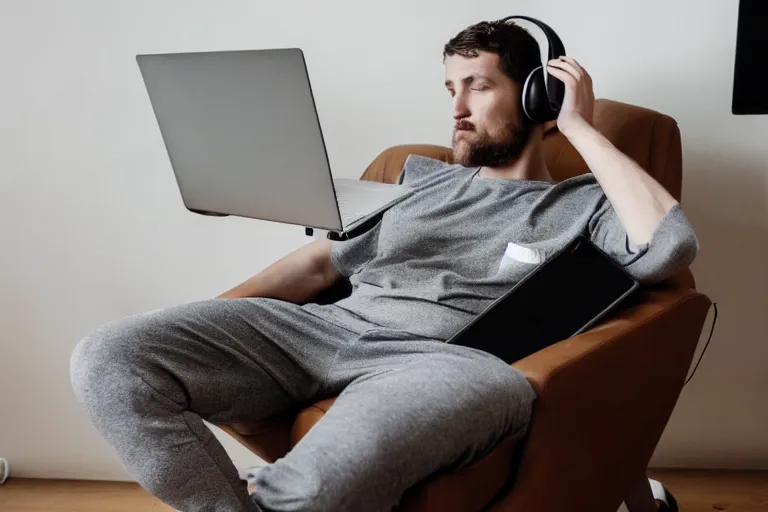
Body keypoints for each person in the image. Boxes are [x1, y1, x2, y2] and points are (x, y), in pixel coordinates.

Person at [70, 19, 698, 512]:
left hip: (448, 364)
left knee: (314, 489)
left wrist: (581, 127)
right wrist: (205, 330)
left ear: (537, 98)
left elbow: (670, 246)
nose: (456, 107)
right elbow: (316, 265)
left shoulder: (586, 201)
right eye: (450, 89)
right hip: (323, 332)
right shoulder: (414, 179)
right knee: (108, 358)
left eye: (477, 86)